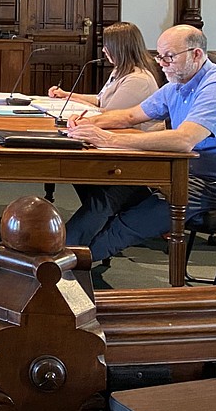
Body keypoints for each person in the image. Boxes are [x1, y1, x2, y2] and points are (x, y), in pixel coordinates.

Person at [65, 25, 216, 261]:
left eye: (169, 57)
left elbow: (184, 140)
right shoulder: (177, 84)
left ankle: (67, 271)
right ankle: (54, 256)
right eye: (159, 56)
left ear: (196, 55)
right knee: (108, 195)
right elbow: (130, 116)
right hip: (187, 170)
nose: (161, 63)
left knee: (130, 223)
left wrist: (110, 139)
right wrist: (88, 123)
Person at [47, 22, 165, 245]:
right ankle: (80, 238)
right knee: (84, 178)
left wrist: (82, 120)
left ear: (120, 47)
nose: (103, 50)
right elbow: (101, 100)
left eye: (106, 45)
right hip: (116, 147)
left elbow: (113, 116)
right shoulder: (121, 73)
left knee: (103, 196)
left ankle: (61, 249)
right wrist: (68, 96)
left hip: (135, 155)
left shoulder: (138, 79)